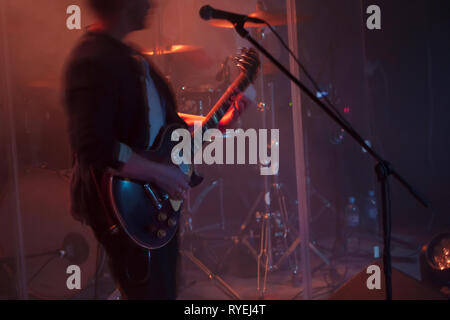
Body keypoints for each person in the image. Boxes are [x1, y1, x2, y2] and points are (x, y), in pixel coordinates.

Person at [63, 0, 252, 299]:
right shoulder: (92, 59)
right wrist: (159, 173)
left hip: (150, 202)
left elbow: (165, 128)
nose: (152, 4)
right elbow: (93, 146)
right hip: (126, 205)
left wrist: (220, 122)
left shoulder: (130, 57)